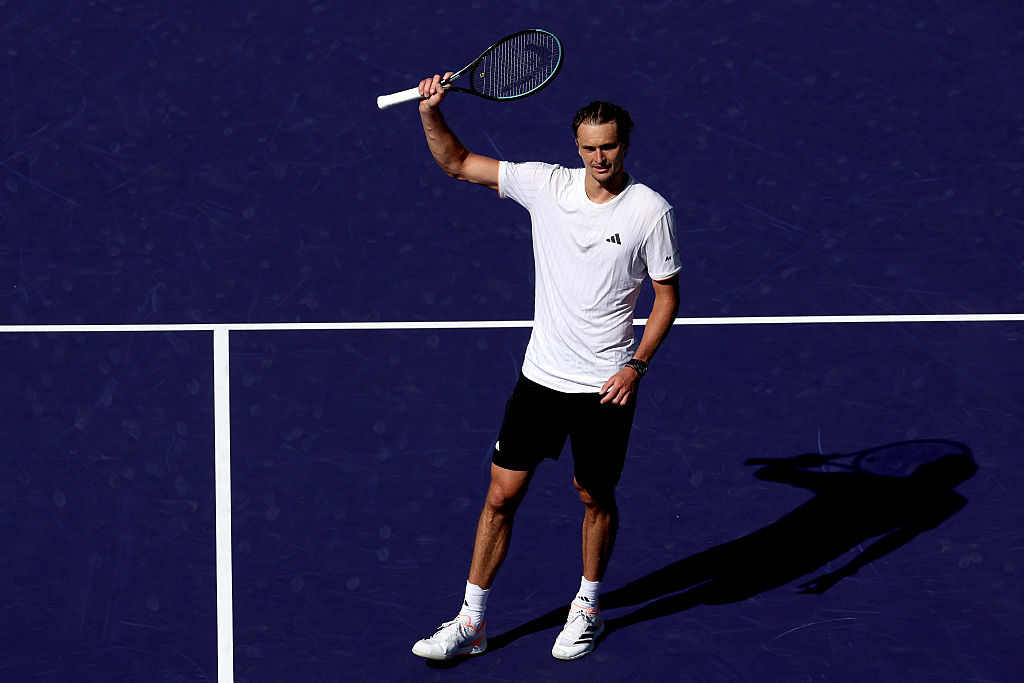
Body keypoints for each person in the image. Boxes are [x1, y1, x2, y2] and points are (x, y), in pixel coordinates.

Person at [410, 72, 682, 662]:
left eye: (609, 146)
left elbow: (667, 296)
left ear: (625, 144)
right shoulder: (546, 186)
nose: (599, 158)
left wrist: (636, 365)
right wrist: (431, 112)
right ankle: (472, 621)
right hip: (541, 378)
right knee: (501, 495)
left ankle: (588, 608)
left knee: (593, 496)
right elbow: (458, 163)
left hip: (605, 385)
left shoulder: (649, 212)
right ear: (575, 146)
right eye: (589, 147)